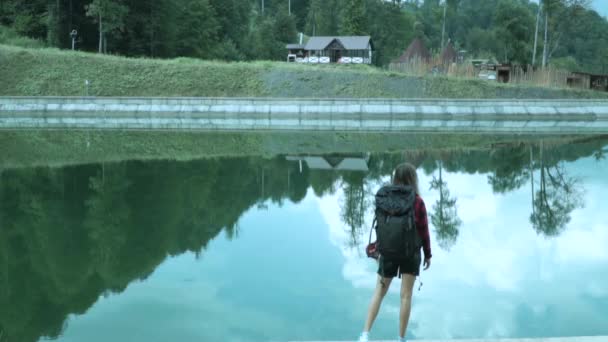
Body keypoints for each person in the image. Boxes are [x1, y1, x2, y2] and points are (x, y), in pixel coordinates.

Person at [359, 163, 432, 342]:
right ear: (413, 179)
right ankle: (400, 338)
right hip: (410, 253)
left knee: (379, 292)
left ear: (395, 178)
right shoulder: (417, 201)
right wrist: (428, 254)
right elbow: (423, 230)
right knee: (406, 296)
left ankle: (365, 335)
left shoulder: (385, 197)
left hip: (388, 252)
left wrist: (379, 248)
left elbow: (380, 226)